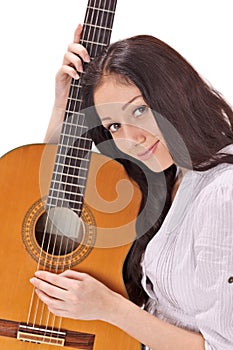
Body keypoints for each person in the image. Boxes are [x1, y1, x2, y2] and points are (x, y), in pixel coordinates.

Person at [30, 24, 233, 350]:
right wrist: (63, 106)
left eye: (139, 110)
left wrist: (109, 307)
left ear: (174, 92)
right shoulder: (170, 173)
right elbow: (47, 195)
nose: (130, 139)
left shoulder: (223, 194)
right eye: (113, 125)